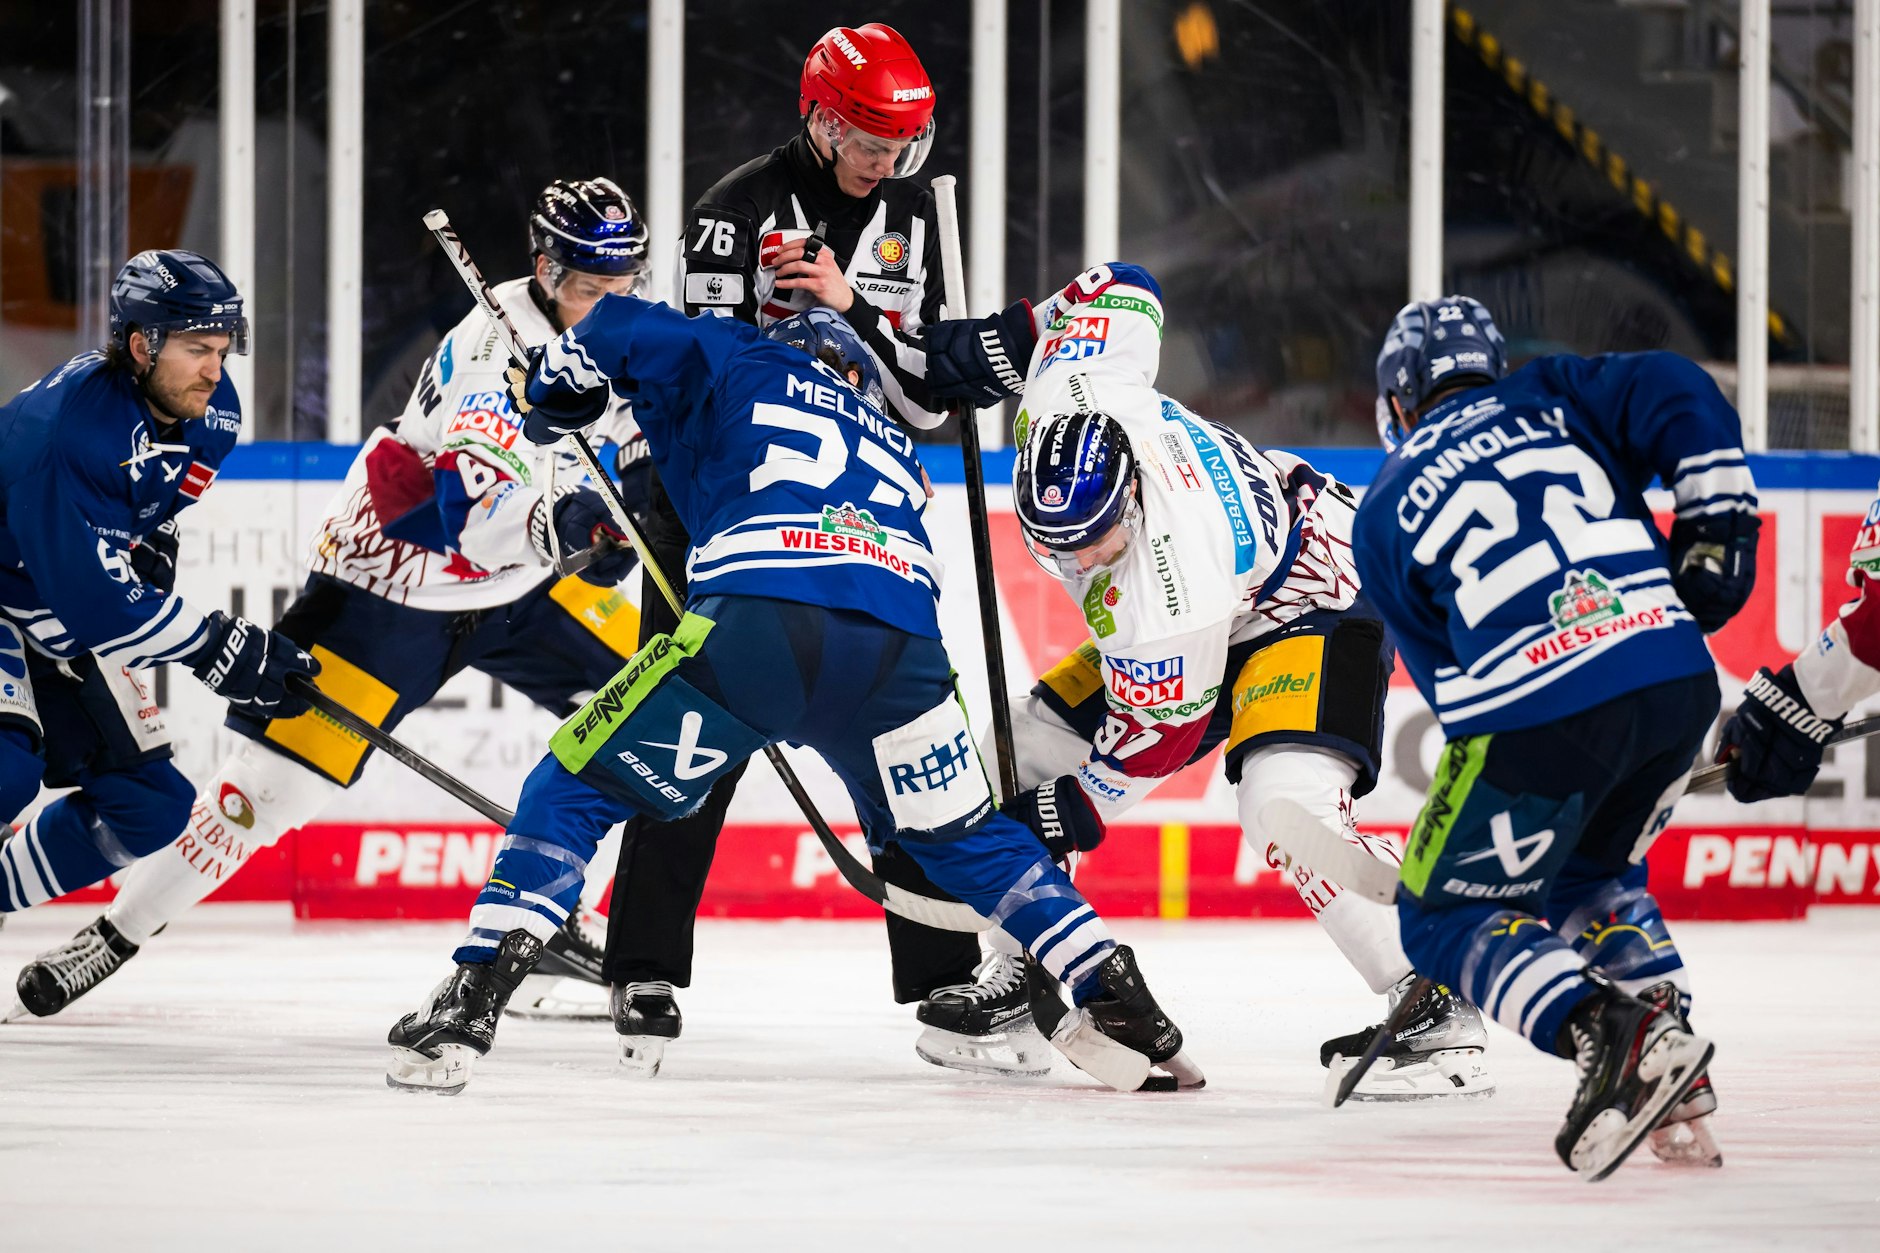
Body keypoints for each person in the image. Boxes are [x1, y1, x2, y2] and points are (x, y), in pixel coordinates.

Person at [381, 296, 1204, 1097]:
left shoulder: (743, 353)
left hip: (761, 629)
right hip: (901, 656)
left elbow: (620, 326)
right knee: (966, 841)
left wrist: (562, 374)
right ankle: (1121, 995)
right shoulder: (893, 443)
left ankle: (471, 997)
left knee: (574, 783)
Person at [10, 180, 654, 1022]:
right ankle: (117, 931)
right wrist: (574, 527)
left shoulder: (615, 327)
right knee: (262, 797)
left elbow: (646, 431)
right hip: (397, 582)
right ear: (544, 267)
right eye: (588, 289)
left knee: (644, 724)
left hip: (518, 586)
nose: (608, 306)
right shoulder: (496, 364)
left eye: (624, 286)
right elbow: (470, 515)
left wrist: (619, 516)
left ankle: (556, 924)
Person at [920, 262, 1492, 1096]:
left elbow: (1161, 742)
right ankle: (1020, 981)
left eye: (1096, 540)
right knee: (1022, 746)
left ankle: (1434, 993)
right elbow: (1125, 287)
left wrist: (1070, 812)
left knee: (1282, 803)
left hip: (1314, 597)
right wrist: (994, 348)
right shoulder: (1070, 385)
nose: (1080, 558)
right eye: (1059, 540)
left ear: (1132, 498)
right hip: (1227, 599)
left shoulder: (1163, 589)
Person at [605, 22, 996, 1075]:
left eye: (903, 146)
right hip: (726, 513)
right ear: (817, 119)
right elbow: (684, 373)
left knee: (909, 740)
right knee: (685, 733)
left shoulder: (919, 217)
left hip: (862, 510)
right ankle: (641, 961)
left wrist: (851, 308)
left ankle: (944, 971)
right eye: (870, 143)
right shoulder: (735, 211)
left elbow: (926, 397)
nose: (886, 166)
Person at [1350, 295, 1759, 1177]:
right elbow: (1673, 380)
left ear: (1396, 403)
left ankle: (1606, 1032)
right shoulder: (1549, 395)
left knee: (1439, 913)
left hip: (1543, 703)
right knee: (1593, 876)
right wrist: (1719, 518)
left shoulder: (1381, 506)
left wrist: (1485, 886)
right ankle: (1672, 1068)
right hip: (1676, 674)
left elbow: (1463, 707)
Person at [0, 250, 318, 969]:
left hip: (51, 609)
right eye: (197, 349)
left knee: (153, 807)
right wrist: (216, 647)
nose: (215, 368)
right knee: (8, 774)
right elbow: (101, 611)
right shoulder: (64, 433)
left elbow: (156, 510)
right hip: (14, 600)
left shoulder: (213, 412)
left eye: (222, 348)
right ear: (141, 345)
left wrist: (155, 541)